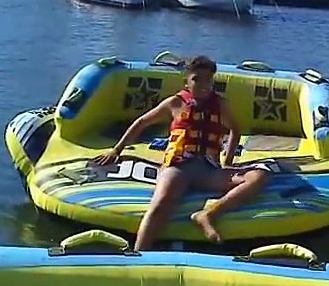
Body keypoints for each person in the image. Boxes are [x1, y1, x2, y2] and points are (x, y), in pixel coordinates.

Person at [94, 55, 272, 249]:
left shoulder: (220, 104)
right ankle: (138, 252)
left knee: (258, 176)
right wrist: (116, 150)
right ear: (186, 81)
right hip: (177, 167)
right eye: (197, 79)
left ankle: (207, 215)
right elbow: (141, 123)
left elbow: (235, 130)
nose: (203, 85)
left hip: (208, 170)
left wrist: (227, 161)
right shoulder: (175, 103)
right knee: (161, 202)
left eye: (208, 80)